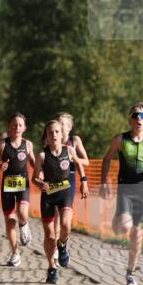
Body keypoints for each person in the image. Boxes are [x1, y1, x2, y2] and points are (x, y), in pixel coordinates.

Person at [100, 103, 143, 285]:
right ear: (130, 120)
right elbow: (107, 159)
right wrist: (104, 182)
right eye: (135, 116)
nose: (139, 119)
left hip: (142, 190)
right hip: (125, 189)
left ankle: (131, 273)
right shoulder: (120, 140)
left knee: (137, 235)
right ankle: (118, 219)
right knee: (124, 228)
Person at [34, 120, 89, 284]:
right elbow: (34, 177)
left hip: (65, 191)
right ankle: (52, 267)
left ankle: (63, 245)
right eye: (50, 132)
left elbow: (79, 164)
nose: (54, 135)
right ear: (46, 136)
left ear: (62, 135)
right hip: (48, 195)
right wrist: (39, 183)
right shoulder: (42, 155)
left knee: (66, 224)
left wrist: (83, 181)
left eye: (57, 132)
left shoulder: (69, 150)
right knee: (49, 236)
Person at [0, 113, 37, 266]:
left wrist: (41, 172)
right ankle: (15, 254)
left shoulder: (28, 145)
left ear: (24, 128)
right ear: (9, 127)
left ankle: (24, 226)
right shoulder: (2, 144)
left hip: (23, 183)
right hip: (7, 186)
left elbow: (34, 163)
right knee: (10, 221)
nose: (17, 128)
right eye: (14, 125)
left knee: (22, 212)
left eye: (20, 125)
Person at [56, 112, 90, 268]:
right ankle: (55, 254)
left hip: (69, 180)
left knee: (65, 221)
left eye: (63, 124)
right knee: (54, 220)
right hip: (53, 181)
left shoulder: (74, 141)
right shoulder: (52, 138)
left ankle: (62, 244)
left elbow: (86, 162)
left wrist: (73, 158)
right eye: (58, 123)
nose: (60, 127)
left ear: (69, 127)